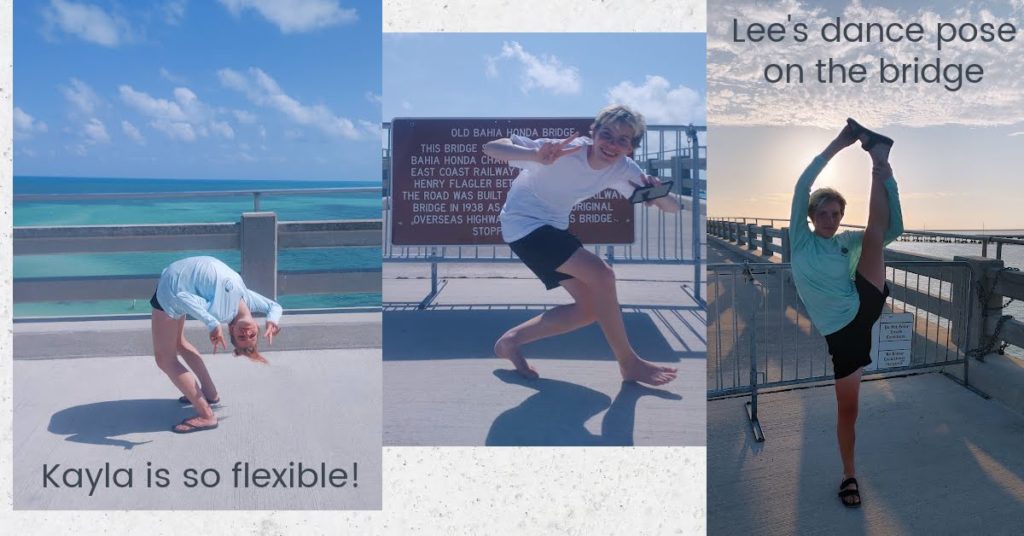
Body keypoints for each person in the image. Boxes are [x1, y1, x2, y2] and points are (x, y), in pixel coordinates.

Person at [482, 104, 682, 386]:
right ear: (594, 133)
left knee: (590, 309)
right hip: (523, 224)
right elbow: (493, 147)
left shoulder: (622, 168)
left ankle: (510, 342)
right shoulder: (567, 151)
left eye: (622, 140)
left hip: (553, 230)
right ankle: (629, 362)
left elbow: (672, 208)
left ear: (630, 148)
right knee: (602, 274)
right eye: (607, 134)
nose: (612, 144)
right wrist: (534, 155)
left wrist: (657, 192)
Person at [788, 119, 903, 507]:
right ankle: (849, 475)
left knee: (873, 234)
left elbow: (889, 231)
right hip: (843, 338)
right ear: (811, 214)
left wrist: (888, 181)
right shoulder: (800, 241)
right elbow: (803, 183)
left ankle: (880, 159)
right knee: (848, 411)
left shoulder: (845, 242)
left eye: (837, 214)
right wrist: (838, 143)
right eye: (824, 212)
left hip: (862, 305)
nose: (831, 219)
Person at [150, 256, 282, 433]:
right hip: (179, 280)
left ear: (233, 328)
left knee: (165, 359)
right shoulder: (248, 301)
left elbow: (182, 297)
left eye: (242, 337)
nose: (247, 333)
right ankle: (210, 394)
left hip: (173, 288)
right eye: (252, 335)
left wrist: (212, 322)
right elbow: (274, 306)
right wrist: (273, 320)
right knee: (178, 343)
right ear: (257, 329)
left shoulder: (224, 311)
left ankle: (206, 415)